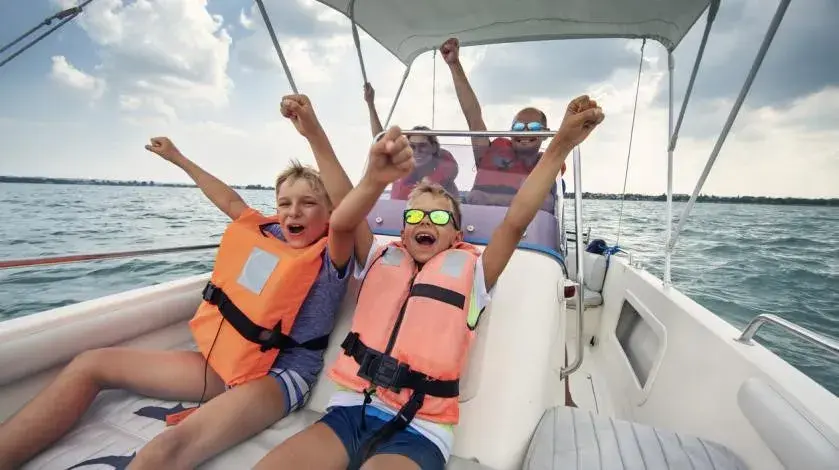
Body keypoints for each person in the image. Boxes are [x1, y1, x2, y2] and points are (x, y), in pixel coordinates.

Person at [0, 96, 360, 470]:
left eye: (308, 203)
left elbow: (347, 211)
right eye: (284, 203)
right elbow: (228, 200)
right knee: (90, 364)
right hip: (234, 360)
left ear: (330, 212)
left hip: (282, 374)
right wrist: (177, 158)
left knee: (164, 450)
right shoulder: (269, 234)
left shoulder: (332, 254)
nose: (293, 212)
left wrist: (312, 133)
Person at [253, 94, 604, 470]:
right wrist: (313, 132)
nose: (424, 222)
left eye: (438, 218)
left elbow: (516, 220)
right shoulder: (377, 258)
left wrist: (561, 144)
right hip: (349, 411)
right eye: (415, 216)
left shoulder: (476, 274)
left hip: (420, 428)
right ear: (403, 231)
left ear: (457, 236)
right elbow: (343, 201)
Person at [440, 37, 566, 212]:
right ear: (511, 133)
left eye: (534, 127)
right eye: (518, 128)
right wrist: (454, 64)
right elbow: (473, 116)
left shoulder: (549, 167)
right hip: (475, 225)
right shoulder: (488, 153)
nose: (525, 132)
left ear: (546, 134)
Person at [364, 82, 460, 200]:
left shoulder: (446, 175)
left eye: (423, 146)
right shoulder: (401, 162)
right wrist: (370, 104)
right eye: (412, 146)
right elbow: (380, 141)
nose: (417, 151)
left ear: (434, 147)